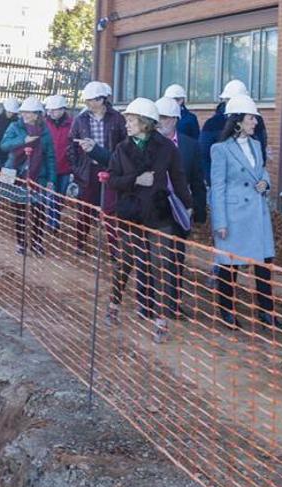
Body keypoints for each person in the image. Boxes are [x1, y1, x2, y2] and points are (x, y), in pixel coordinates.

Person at [106, 97, 193, 343]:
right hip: (131, 214)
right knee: (125, 263)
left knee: (162, 266)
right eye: (127, 120)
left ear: (145, 123)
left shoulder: (167, 149)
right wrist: (134, 179)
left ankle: (161, 321)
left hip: (159, 213)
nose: (127, 124)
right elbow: (112, 180)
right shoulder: (121, 148)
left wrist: (187, 207)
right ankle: (114, 304)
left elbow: (178, 178)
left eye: (131, 120)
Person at [210, 94, 282, 331]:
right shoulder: (220, 149)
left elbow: (261, 172)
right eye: (252, 118)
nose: (256, 123)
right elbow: (217, 186)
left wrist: (266, 183)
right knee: (229, 266)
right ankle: (227, 311)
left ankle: (267, 312)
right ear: (238, 121)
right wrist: (219, 222)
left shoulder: (256, 145)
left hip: (257, 213)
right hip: (233, 217)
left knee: (263, 265)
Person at [155, 96, 207, 320]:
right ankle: (147, 302)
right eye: (157, 118)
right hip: (153, 210)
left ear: (175, 119)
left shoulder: (190, 145)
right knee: (151, 257)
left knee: (176, 259)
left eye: (165, 118)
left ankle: (173, 304)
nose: (160, 122)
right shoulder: (147, 143)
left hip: (179, 211)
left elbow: (197, 180)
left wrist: (197, 210)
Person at [68, 81, 127, 252]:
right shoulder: (81, 120)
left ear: (101, 100)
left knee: (110, 211)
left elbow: (124, 144)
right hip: (88, 170)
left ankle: (114, 249)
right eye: (87, 100)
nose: (88, 103)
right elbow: (71, 145)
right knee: (84, 208)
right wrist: (77, 168)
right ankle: (80, 243)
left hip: (110, 169)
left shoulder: (117, 118)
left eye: (91, 100)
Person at [0, 96, 57, 256]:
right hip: (17, 174)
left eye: (29, 112)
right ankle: (21, 243)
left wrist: (52, 179)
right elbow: (4, 145)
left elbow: (50, 156)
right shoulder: (14, 127)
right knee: (19, 210)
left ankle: (37, 242)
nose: (25, 115)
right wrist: (23, 140)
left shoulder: (45, 132)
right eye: (23, 112)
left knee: (39, 211)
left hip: (39, 176)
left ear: (38, 114)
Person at [198, 79, 268, 186]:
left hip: (252, 187)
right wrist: (212, 182)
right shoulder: (212, 124)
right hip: (225, 185)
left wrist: (262, 181)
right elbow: (204, 156)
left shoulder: (256, 121)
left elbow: (261, 154)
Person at [43, 94, 73, 231]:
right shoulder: (44, 123)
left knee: (60, 196)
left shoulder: (72, 124)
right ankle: (52, 223)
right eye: (49, 110)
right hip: (49, 168)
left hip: (65, 167)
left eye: (54, 110)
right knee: (50, 195)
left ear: (62, 110)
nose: (51, 113)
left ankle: (55, 218)